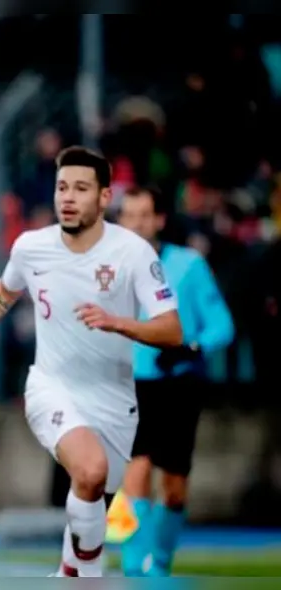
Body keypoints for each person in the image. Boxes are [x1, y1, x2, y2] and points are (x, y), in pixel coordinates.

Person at [0, 146, 183, 577]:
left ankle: (70, 572)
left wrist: (118, 323)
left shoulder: (133, 252)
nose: (67, 197)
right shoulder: (32, 247)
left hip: (115, 403)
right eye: (62, 187)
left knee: (94, 499)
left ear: (105, 198)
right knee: (89, 471)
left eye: (81, 188)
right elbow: (1, 294)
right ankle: (87, 579)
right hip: (52, 388)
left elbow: (171, 330)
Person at [114, 185, 234, 576]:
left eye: (143, 214)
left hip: (179, 384)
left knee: (175, 484)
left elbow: (222, 325)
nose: (136, 223)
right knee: (135, 470)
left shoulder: (189, 266)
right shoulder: (107, 270)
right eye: (129, 215)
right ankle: (135, 565)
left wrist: (191, 348)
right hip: (131, 383)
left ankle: (160, 561)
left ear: (159, 220)